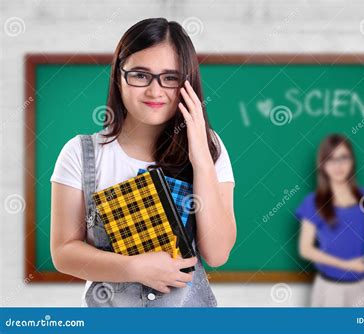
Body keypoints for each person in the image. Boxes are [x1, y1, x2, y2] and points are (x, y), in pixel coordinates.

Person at [50, 18, 236, 307]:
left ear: (187, 83)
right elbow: (63, 253)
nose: (154, 91)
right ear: (119, 77)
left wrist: (201, 160)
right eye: (140, 75)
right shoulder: (81, 153)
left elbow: (218, 253)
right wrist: (133, 268)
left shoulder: (210, 147)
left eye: (170, 77)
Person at [295, 134, 364, 307]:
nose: (338, 165)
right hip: (331, 288)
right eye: (331, 159)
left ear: (352, 161)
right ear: (322, 164)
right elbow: (305, 249)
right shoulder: (313, 202)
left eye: (343, 157)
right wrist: (346, 265)